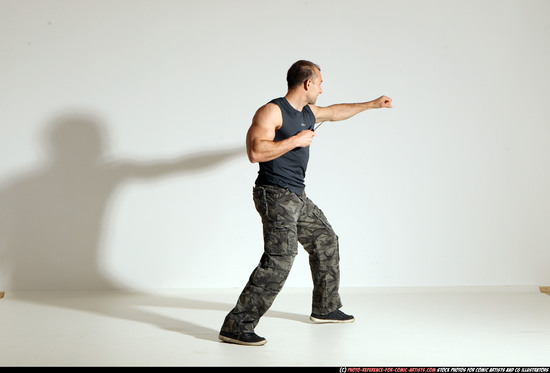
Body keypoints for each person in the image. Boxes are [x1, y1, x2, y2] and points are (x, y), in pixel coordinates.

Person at [219, 60, 392, 346]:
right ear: (308, 84)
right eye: (320, 83)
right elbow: (255, 151)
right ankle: (236, 326)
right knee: (280, 257)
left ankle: (325, 308)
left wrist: (372, 104)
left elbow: (335, 112)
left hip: (297, 196)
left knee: (325, 239)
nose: (323, 89)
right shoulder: (272, 110)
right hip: (274, 194)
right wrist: (295, 141)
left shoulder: (308, 112)